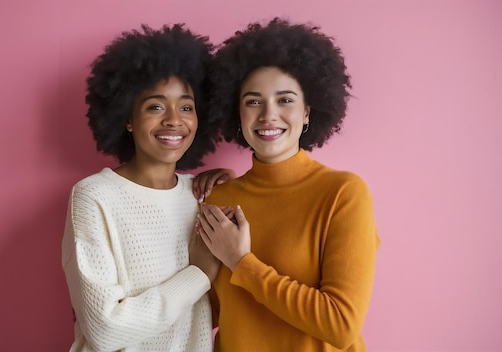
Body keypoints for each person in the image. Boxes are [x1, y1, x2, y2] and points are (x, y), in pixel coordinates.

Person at [197, 18, 381, 351]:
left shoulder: (343, 193)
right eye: (253, 101)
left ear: (308, 112)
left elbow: (340, 325)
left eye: (285, 100)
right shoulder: (219, 198)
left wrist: (242, 263)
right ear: (236, 113)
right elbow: (204, 316)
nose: (268, 115)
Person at [61, 23, 230, 352]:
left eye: (186, 107)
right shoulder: (95, 196)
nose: (173, 120)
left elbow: (220, 310)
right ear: (127, 118)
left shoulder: (204, 194)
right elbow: (105, 332)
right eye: (155, 106)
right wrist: (197, 274)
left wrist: (240, 188)